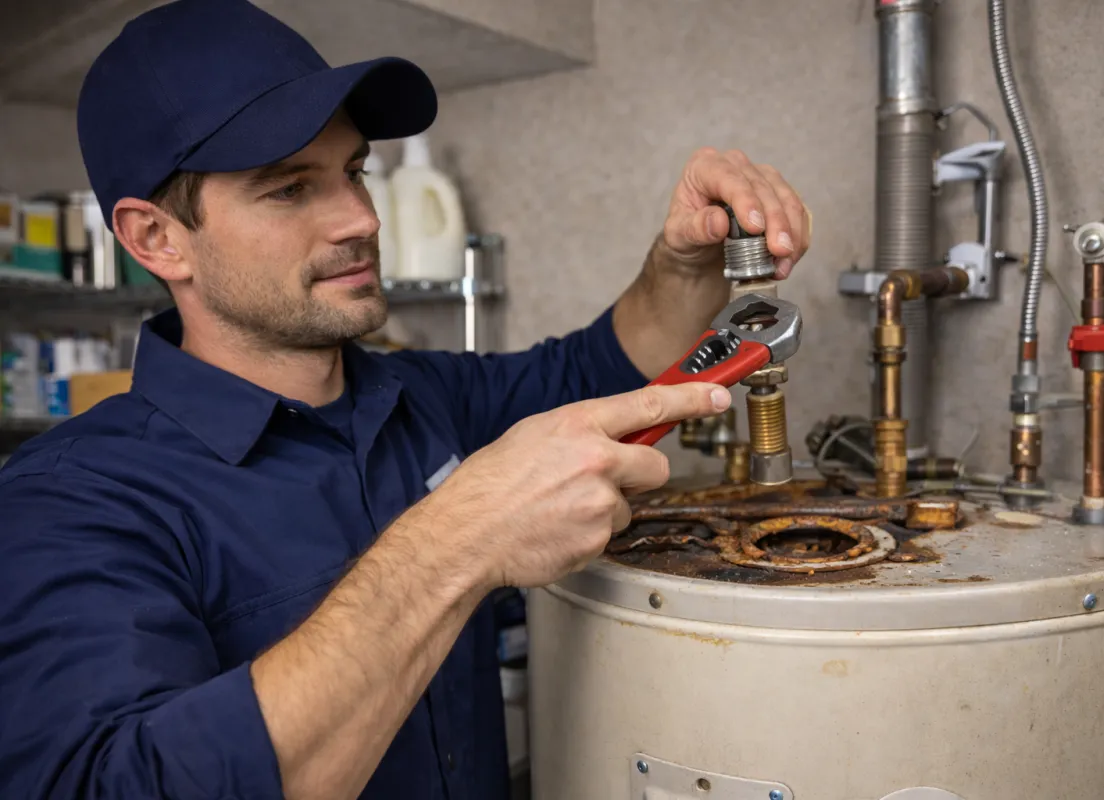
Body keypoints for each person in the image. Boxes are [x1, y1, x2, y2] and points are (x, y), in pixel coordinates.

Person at [0, 0, 810, 798]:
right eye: (288, 189)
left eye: (353, 172)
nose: (359, 217)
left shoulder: (422, 398)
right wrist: (459, 538)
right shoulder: (69, 503)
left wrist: (681, 265)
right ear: (156, 238)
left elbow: (600, 370)